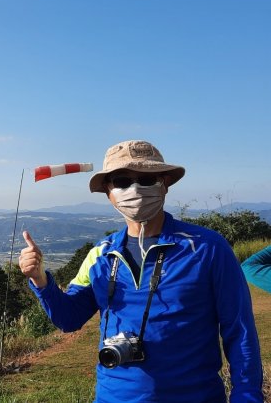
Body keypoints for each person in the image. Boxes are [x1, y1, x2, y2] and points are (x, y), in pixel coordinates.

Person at [19, 140, 263, 403]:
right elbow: (69, 319)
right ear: (108, 192)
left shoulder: (208, 248)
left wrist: (247, 396)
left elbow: (239, 332)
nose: (134, 189)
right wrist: (40, 280)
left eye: (146, 179)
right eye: (122, 181)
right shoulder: (100, 255)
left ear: (165, 183)